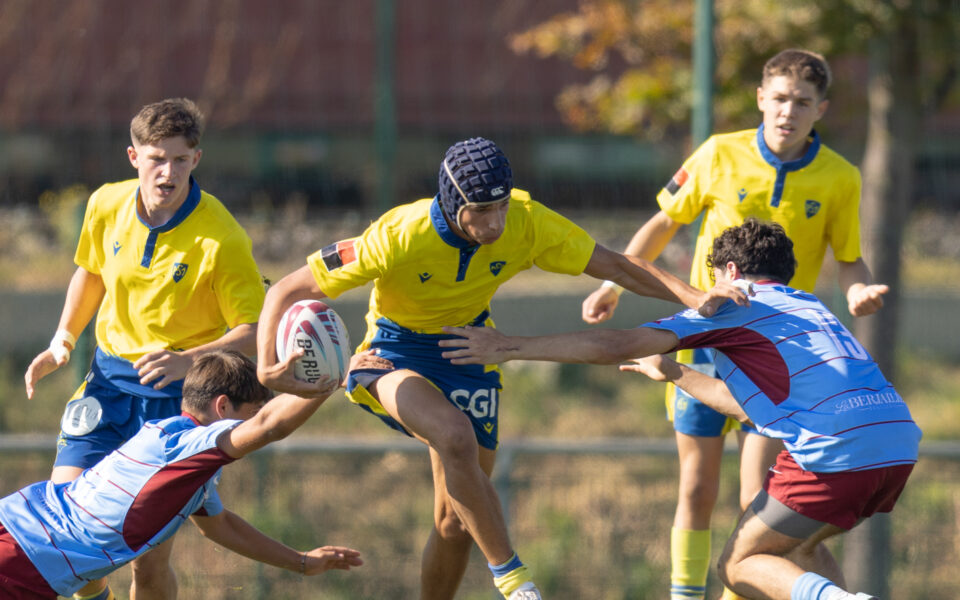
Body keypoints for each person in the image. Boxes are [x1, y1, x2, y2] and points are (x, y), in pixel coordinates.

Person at [255, 137, 750, 600]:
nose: (494, 224)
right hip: (393, 352)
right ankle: (516, 582)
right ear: (452, 204)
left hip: (469, 347)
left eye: (501, 206)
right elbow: (286, 290)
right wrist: (265, 368)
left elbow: (618, 266)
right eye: (480, 211)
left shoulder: (527, 221)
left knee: (455, 523)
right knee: (453, 436)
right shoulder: (399, 233)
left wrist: (696, 295)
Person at [442, 218, 920, 600]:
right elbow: (750, 407)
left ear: (729, 273)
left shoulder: (735, 303)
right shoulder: (808, 305)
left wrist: (509, 346)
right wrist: (673, 372)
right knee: (799, 547)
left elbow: (617, 343)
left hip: (835, 451)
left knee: (738, 564)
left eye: (711, 278)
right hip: (896, 441)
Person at [580, 49, 889, 600]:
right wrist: (611, 284)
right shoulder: (719, 154)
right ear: (760, 99)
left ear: (821, 108)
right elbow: (663, 223)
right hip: (706, 342)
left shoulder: (840, 176)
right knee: (697, 486)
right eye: (778, 98)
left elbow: (848, 257)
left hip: (775, 359)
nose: (787, 111)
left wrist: (859, 289)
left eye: (801, 101)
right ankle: (685, 594)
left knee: (760, 497)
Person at [22, 98, 266, 600]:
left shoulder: (221, 239)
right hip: (107, 385)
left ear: (196, 160)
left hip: (173, 404)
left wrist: (188, 360)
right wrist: (63, 341)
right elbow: (90, 272)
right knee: (62, 536)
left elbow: (255, 330)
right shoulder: (106, 204)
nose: (167, 172)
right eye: (157, 158)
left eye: (180, 159)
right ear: (133, 157)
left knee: (146, 566)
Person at [0, 349, 364, 600]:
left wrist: (301, 562)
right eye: (251, 411)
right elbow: (270, 426)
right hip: (22, 561)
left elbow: (221, 527)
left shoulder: (178, 452)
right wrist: (335, 375)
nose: (253, 423)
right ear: (223, 407)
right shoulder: (186, 448)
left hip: (19, 534)